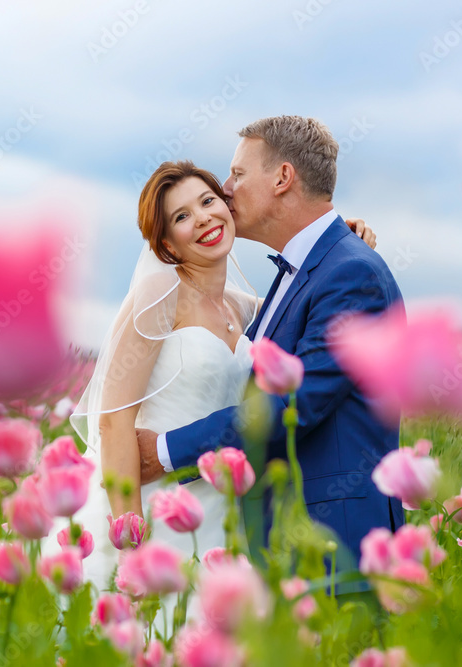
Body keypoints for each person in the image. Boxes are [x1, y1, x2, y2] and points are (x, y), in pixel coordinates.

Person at [63, 157, 377, 593]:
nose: (203, 218)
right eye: (181, 216)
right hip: (158, 502)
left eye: (208, 200)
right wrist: (132, 548)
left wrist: (345, 241)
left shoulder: (246, 306)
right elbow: (114, 420)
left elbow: (311, 297)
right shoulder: (158, 297)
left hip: (226, 512)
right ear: (167, 243)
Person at [135, 115, 405, 597]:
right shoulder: (302, 270)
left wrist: (163, 451)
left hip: (336, 539)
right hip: (283, 537)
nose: (226, 187)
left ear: (282, 178)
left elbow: (294, 406)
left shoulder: (349, 276)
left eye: (238, 173)